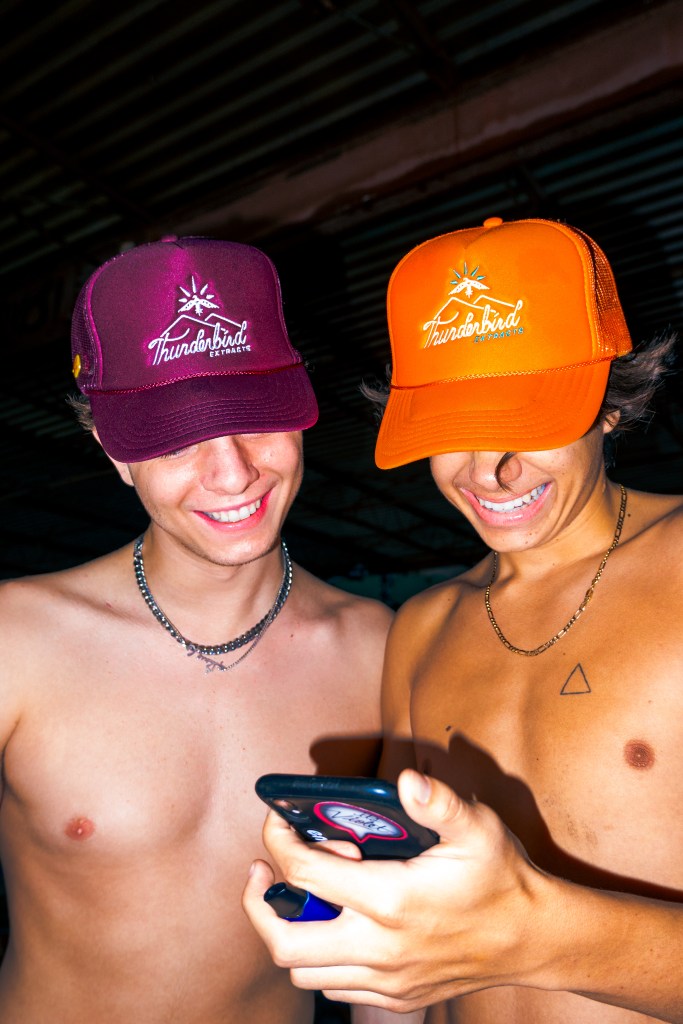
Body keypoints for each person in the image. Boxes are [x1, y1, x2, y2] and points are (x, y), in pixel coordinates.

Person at [243, 216, 683, 1023]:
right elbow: (399, 918)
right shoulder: (420, 626)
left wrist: (533, 937)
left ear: (608, 403)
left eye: (528, 417)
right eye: (453, 429)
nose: (489, 471)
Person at [0, 235, 394, 1024]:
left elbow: (391, 945)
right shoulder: (17, 639)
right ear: (114, 450)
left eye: (258, 416)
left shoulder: (379, 649)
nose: (232, 472)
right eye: (178, 435)